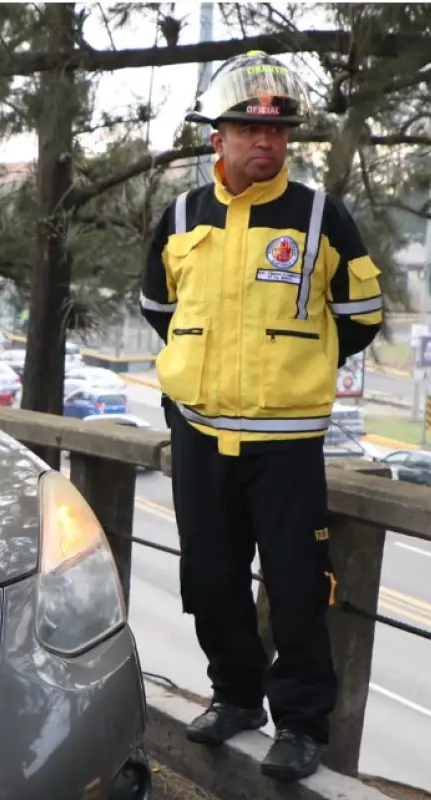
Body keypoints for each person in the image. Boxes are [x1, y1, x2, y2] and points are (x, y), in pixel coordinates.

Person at [138, 51, 384, 783]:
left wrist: (290, 369)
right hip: (201, 435)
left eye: (277, 134)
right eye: (248, 129)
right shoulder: (182, 216)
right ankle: (237, 696)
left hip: (286, 446)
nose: (265, 144)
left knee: (297, 586)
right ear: (218, 137)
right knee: (210, 579)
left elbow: (363, 315)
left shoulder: (320, 216)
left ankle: (302, 725)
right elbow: (158, 307)